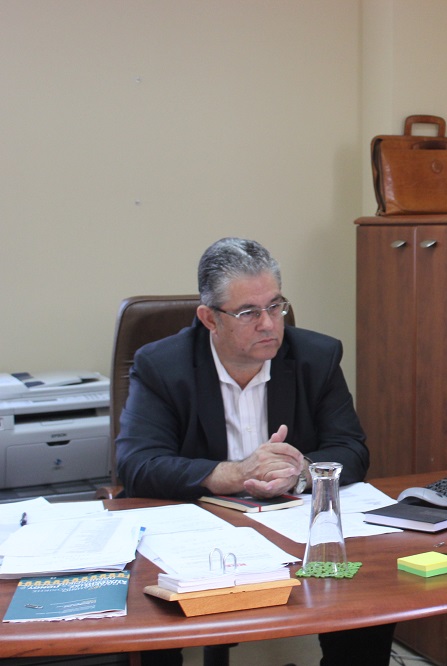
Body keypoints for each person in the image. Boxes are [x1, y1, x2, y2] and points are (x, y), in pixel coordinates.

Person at [116, 237, 393, 666]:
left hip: (289, 527)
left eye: (275, 306)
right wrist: (237, 472)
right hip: (196, 531)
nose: (268, 324)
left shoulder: (316, 357)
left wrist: (301, 471)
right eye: (248, 312)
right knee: (149, 622)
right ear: (209, 318)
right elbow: (137, 465)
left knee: (367, 597)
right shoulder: (162, 365)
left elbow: (350, 448)